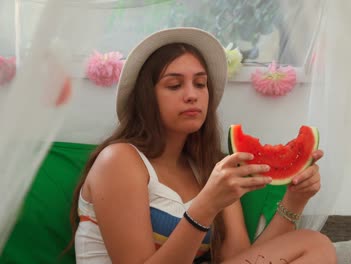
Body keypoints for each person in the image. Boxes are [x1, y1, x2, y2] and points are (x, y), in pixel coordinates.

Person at [70, 27, 336, 264]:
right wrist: (206, 205)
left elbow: (243, 260)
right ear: (146, 98)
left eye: (200, 84)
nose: (192, 95)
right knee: (313, 243)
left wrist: (294, 201)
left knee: (315, 244)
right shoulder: (117, 160)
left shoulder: (211, 167)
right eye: (174, 85)